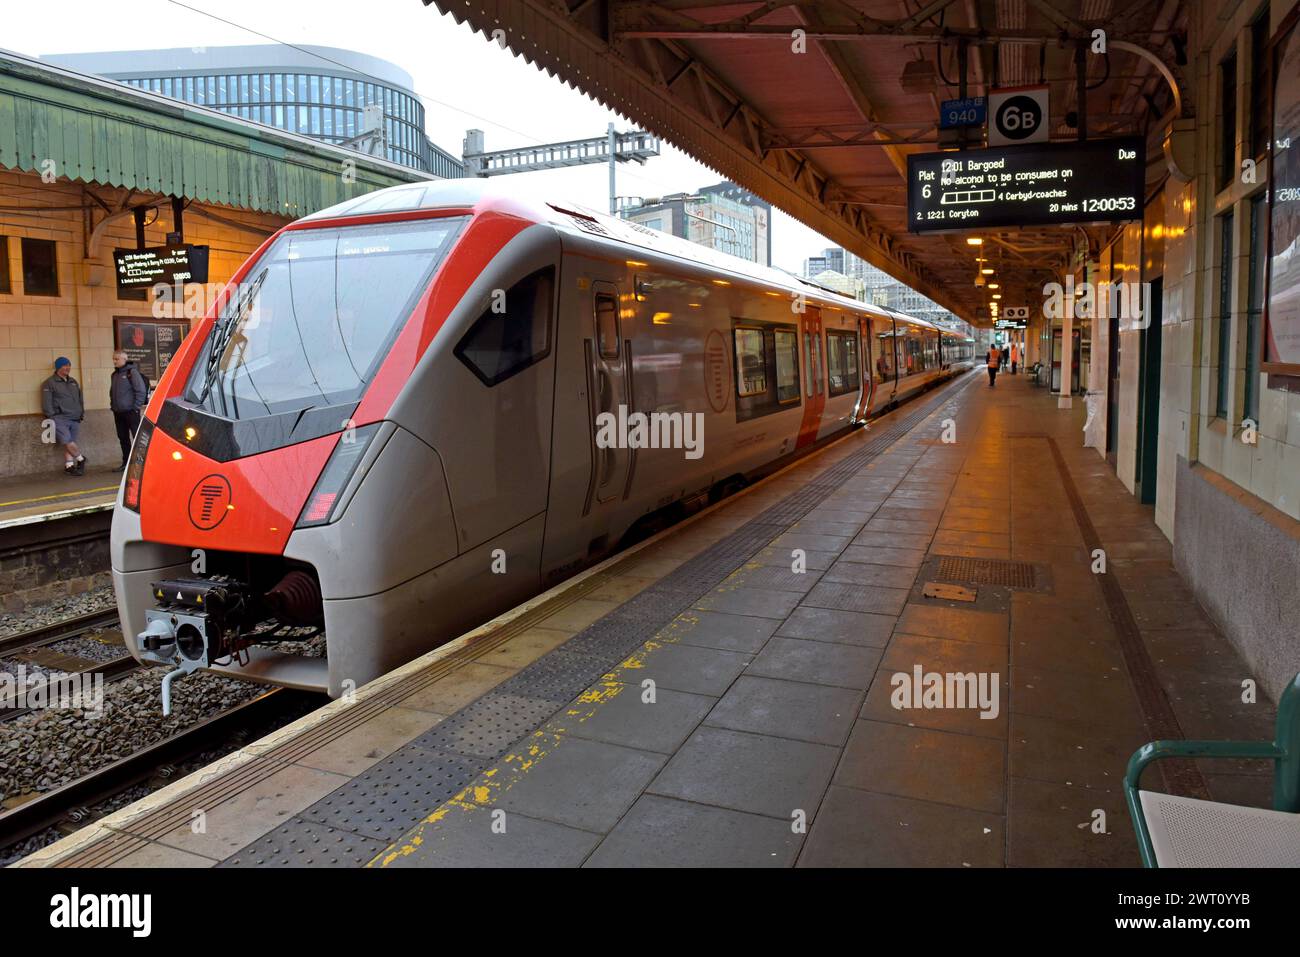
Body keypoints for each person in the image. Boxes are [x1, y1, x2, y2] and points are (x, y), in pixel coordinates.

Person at [41, 357, 86, 476]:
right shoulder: (50, 383)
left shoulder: (73, 382)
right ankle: (81, 459)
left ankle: (69, 465)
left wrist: (81, 412)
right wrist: (51, 416)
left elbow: (80, 399)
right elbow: (46, 402)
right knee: (67, 441)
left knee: (71, 442)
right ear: (58, 367)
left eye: (69, 365)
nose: (68, 368)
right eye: (65, 366)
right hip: (60, 418)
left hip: (75, 417)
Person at [109, 350, 147, 470]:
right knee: (123, 438)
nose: (114, 361)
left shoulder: (132, 373)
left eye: (117, 359)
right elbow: (112, 392)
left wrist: (136, 407)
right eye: (113, 359)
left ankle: (141, 463)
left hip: (131, 412)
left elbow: (141, 391)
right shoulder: (114, 375)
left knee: (137, 438)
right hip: (118, 412)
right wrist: (113, 406)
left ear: (124, 360)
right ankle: (126, 463)